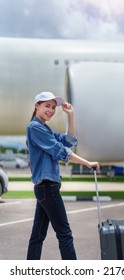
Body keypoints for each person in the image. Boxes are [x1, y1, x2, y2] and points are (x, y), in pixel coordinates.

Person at [26, 91, 99, 260]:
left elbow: (69, 141)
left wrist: (70, 115)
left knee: (37, 237)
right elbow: (60, 150)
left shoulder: (45, 129)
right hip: (48, 187)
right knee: (64, 235)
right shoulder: (35, 127)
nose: (51, 110)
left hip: (45, 188)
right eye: (47, 106)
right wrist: (88, 163)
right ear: (37, 106)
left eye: (53, 107)